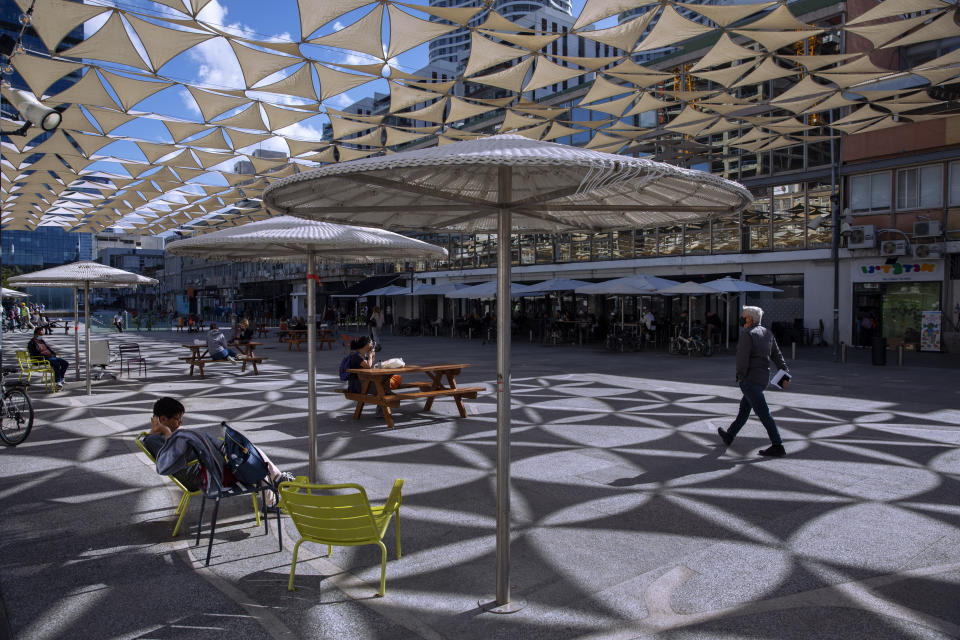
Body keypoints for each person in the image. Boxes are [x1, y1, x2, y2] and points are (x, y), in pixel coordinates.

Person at [144, 397, 295, 502]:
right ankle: (272, 495)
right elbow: (168, 462)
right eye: (177, 419)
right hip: (203, 475)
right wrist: (167, 432)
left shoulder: (167, 434)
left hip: (205, 466)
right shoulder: (154, 440)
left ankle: (276, 479)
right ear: (163, 420)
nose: (180, 422)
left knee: (245, 450)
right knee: (248, 463)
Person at [717, 305, 790, 457]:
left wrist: (740, 375)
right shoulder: (767, 332)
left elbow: (742, 359)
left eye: (743, 315)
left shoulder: (747, 334)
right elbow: (777, 354)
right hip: (763, 378)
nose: (742, 317)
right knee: (744, 409)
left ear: (749, 318)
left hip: (750, 379)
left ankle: (778, 445)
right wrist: (784, 370)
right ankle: (730, 435)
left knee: (763, 413)